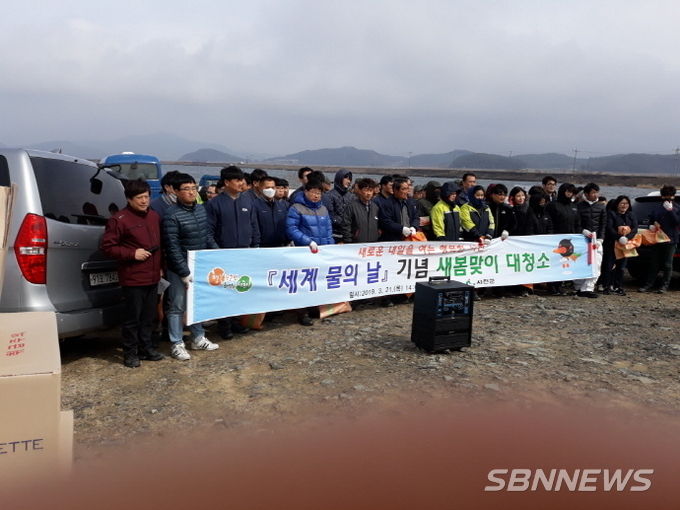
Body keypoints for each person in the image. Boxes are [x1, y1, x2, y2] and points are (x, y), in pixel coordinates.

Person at [101, 179, 164, 368]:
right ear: (129, 199)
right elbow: (108, 247)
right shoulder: (119, 220)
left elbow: (160, 246)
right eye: (139, 198)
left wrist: (161, 267)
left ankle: (146, 348)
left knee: (149, 317)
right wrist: (132, 254)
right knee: (132, 319)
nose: (144, 201)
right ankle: (130, 353)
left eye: (146, 197)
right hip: (133, 277)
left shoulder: (154, 216)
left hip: (153, 276)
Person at [162, 173, 220, 361]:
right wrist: (183, 271)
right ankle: (177, 343)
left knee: (197, 303)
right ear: (176, 191)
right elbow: (172, 246)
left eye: (194, 188)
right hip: (178, 269)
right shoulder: (171, 214)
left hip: (199, 265)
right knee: (177, 306)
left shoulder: (201, 210)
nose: (191, 192)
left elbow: (206, 236)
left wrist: (218, 253)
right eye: (186, 189)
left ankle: (198, 337)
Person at [205, 165, 260, 339]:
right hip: (224, 254)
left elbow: (253, 225)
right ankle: (224, 324)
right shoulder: (215, 204)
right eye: (237, 180)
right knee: (224, 290)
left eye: (242, 179)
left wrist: (255, 246)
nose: (241, 183)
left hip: (244, 253)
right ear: (227, 182)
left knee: (240, 288)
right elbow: (208, 231)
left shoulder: (247, 201)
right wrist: (217, 251)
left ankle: (236, 321)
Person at [286, 180, 335, 325]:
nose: (316, 195)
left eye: (319, 193)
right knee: (303, 282)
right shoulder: (296, 208)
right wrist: (307, 241)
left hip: (321, 252)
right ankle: (302, 313)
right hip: (304, 251)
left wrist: (330, 245)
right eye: (313, 192)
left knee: (317, 281)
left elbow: (328, 230)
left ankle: (314, 307)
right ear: (306, 192)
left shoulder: (323, 209)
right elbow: (291, 229)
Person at [639, 185, 680, 293]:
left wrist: (670, 210)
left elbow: (677, 222)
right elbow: (651, 219)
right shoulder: (657, 208)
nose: (667, 198)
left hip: (670, 239)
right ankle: (648, 284)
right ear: (662, 196)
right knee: (654, 263)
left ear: (673, 196)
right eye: (665, 196)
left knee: (667, 264)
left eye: (670, 196)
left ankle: (664, 286)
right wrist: (651, 225)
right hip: (657, 238)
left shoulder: (677, 208)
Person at [545, 183, 580, 296]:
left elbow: (577, 223)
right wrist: (551, 236)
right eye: (568, 191)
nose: (569, 194)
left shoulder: (573, 206)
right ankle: (551, 286)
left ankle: (559, 285)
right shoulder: (553, 205)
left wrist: (578, 235)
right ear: (562, 191)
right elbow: (549, 222)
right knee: (554, 263)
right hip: (556, 239)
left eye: (571, 192)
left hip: (570, 240)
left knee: (565, 263)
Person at [601, 195, 638, 295]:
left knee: (621, 267)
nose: (624, 205)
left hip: (625, 245)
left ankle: (618, 286)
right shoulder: (611, 214)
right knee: (609, 265)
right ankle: (606, 286)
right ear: (617, 204)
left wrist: (627, 238)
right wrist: (618, 237)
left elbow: (635, 228)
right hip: (612, 244)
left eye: (626, 203)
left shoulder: (631, 214)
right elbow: (609, 228)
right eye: (622, 203)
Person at [574, 183, 606, 298]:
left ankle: (588, 288)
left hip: (596, 241)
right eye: (593, 193)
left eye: (597, 192)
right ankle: (579, 287)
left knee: (596, 264)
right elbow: (575, 224)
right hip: (582, 239)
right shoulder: (579, 206)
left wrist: (600, 239)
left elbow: (603, 224)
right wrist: (583, 231)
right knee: (580, 263)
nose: (595, 195)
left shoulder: (601, 207)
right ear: (586, 194)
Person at [377, 177, 419, 241]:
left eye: (407, 188)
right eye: (403, 189)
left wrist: (414, 227)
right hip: (393, 239)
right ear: (395, 190)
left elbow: (416, 217)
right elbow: (386, 221)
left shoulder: (410, 202)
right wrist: (402, 229)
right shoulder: (387, 203)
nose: (406, 192)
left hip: (410, 238)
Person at [341, 178, 380, 243]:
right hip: (356, 244)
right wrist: (348, 241)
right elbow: (345, 226)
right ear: (359, 191)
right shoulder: (352, 206)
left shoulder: (375, 207)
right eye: (366, 190)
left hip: (372, 243)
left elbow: (379, 226)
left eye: (370, 190)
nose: (368, 193)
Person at [255, 176, 290, 247]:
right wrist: (256, 243)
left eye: (273, 187)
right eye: (267, 187)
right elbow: (254, 226)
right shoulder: (255, 205)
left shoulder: (283, 205)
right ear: (260, 188)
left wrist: (287, 240)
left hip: (281, 244)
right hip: (263, 245)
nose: (270, 190)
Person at [322, 168, 353, 243]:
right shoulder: (328, 196)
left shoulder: (352, 196)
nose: (348, 181)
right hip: (334, 234)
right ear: (339, 178)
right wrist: (343, 222)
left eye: (350, 179)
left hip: (349, 234)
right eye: (346, 178)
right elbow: (328, 215)